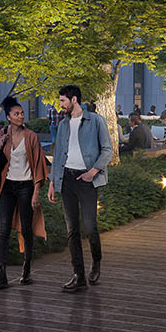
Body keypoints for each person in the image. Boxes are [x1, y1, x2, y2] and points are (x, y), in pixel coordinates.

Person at [48, 84, 112, 292]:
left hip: (86, 179)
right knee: (72, 229)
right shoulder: (64, 124)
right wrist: (52, 182)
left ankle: (96, 261)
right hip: (67, 179)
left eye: (62, 101)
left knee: (90, 227)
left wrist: (93, 172)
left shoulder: (96, 121)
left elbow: (107, 150)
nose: (60, 106)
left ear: (74, 100)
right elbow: (58, 155)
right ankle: (78, 276)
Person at [0, 95, 46, 290]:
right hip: (7, 188)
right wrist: (0, 144)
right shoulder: (2, 134)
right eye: (16, 114)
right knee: (3, 230)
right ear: (8, 117)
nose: (21, 116)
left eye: (22, 113)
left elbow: (38, 165)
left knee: (27, 229)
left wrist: (36, 192)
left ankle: (26, 269)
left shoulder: (31, 137)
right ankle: (1, 274)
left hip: (26, 187)